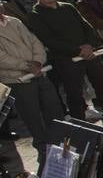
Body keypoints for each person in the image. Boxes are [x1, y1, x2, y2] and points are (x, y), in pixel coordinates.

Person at [26, 0, 103, 126]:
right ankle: (80, 127)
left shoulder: (67, 7)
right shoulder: (35, 14)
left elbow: (87, 26)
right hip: (67, 60)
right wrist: (77, 50)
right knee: (75, 94)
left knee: (102, 88)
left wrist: (89, 45)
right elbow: (48, 40)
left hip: (90, 54)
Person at [0, 11, 64, 150]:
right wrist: (26, 66)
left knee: (54, 109)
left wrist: (38, 61)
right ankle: (42, 148)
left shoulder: (14, 21)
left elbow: (34, 41)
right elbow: (2, 58)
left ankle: (60, 142)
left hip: (39, 72)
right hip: (17, 79)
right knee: (32, 117)